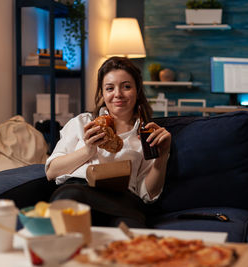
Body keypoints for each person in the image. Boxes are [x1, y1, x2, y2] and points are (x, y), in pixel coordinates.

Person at [45, 56, 171, 227]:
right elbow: (52, 171)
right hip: (78, 192)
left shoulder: (147, 134)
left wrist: (162, 157)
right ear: (102, 94)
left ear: (137, 91)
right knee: (69, 196)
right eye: (110, 88)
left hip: (123, 200)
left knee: (131, 225)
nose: (118, 94)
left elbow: (147, 194)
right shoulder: (83, 123)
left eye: (126, 87)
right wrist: (87, 151)